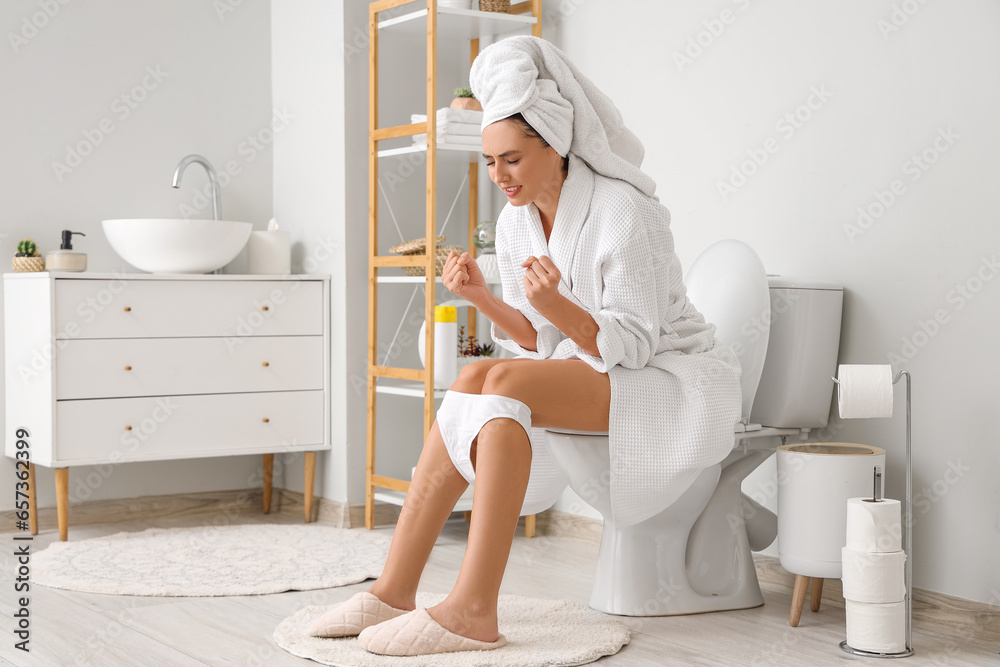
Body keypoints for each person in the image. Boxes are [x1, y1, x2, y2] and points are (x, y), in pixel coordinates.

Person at [305, 36, 742, 657]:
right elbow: (541, 340)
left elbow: (637, 343)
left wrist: (555, 304)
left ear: (554, 144)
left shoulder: (624, 211)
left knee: (501, 383)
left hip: (667, 373)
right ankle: (393, 590)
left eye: (510, 159)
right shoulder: (515, 224)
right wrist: (484, 297)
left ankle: (473, 607)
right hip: (588, 361)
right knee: (473, 378)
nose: (498, 177)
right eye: (488, 163)